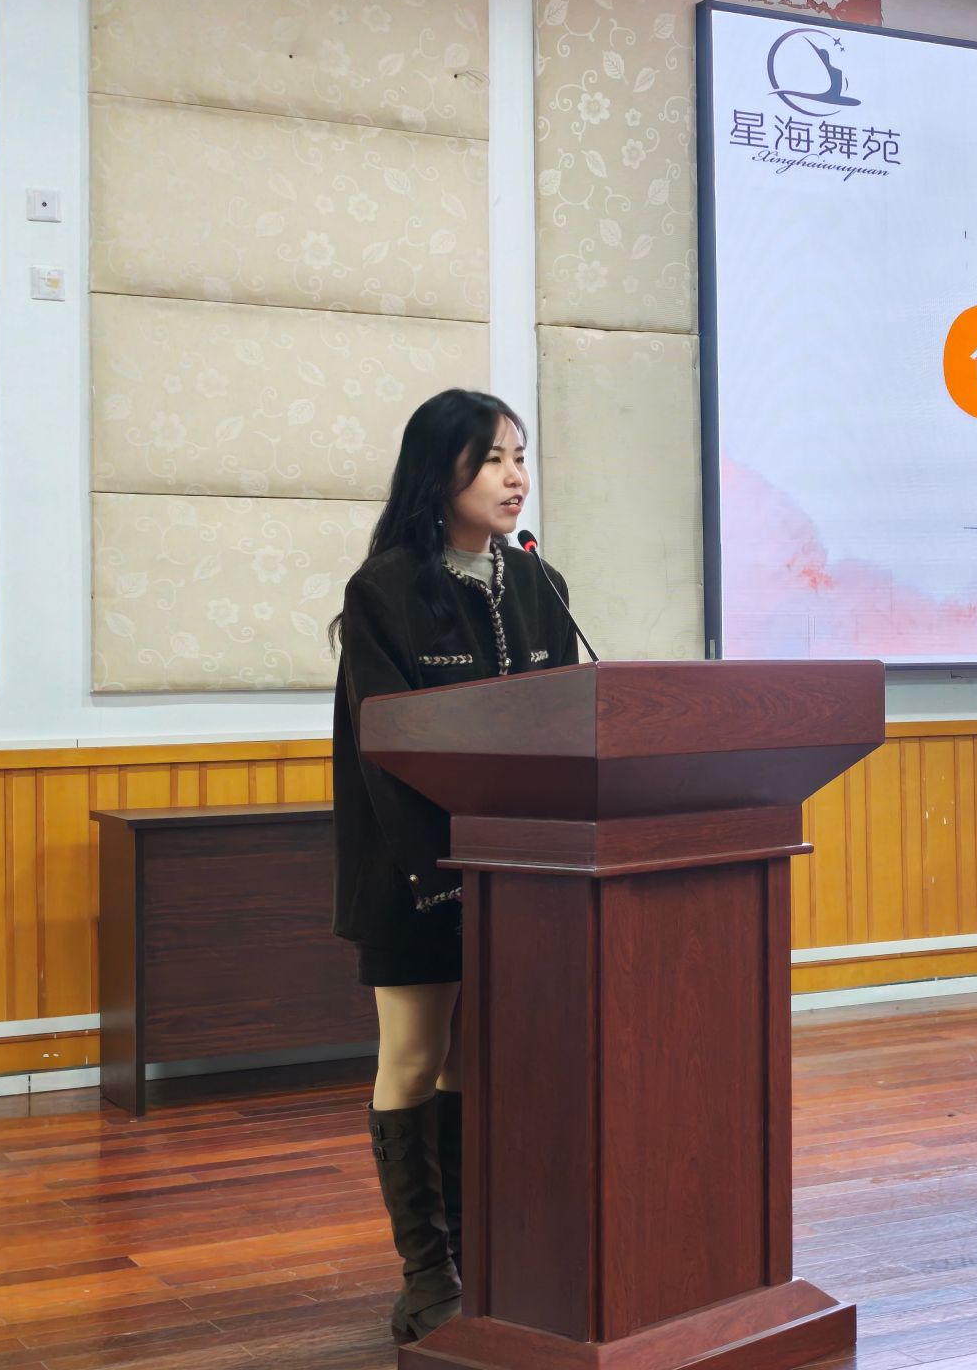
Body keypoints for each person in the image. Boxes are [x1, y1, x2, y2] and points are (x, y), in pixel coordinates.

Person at [328, 388, 579, 1344]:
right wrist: (439, 873)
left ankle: (476, 1258)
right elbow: (383, 754)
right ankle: (426, 1274)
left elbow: (564, 726)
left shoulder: (538, 581)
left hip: (519, 876)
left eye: (520, 456)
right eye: (493, 460)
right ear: (440, 474)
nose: (516, 478)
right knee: (414, 1055)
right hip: (416, 872)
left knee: (476, 1060)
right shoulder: (385, 590)